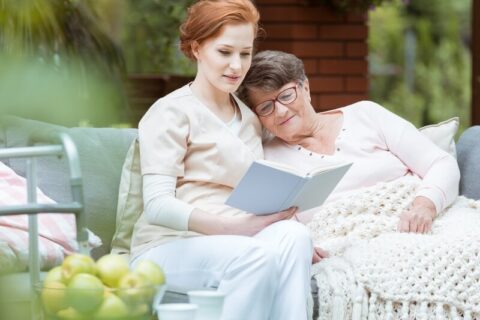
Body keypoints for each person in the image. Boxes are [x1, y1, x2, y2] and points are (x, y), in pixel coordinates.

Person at [129, 2, 314, 319]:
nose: (236, 65)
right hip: (168, 246)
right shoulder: (171, 112)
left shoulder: (249, 119)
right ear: (197, 48)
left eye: (245, 53)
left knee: (296, 237)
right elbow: (157, 205)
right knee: (256, 256)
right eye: (225, 52)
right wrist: (232, 228)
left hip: (235, 241)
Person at [237, 50, 460, 236]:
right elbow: (277, 224)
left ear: (305, 88)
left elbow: (441, 163)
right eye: (266, 107)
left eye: (286, 95)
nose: (281, 111)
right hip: (346, 242)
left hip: (419, 220)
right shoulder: (267, 158)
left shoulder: (367, 114)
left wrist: (425, 205)